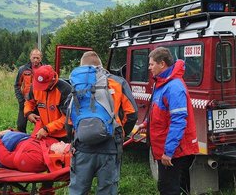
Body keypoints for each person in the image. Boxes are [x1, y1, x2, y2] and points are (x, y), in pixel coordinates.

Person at [68, 51, 138, 195]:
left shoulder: (77, 84)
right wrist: (120, 133)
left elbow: (70, 118)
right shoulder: (118, 82)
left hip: (82, 146)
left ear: (82, 67)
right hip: (110, 145)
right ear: (100, 65)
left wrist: (72, 140)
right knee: (107, 189)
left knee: (78, 190)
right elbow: (132, 114)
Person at [148, 47, 199, 195]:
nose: (149, 68)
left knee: (168, 188)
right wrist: (145, 124)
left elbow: (178, 121)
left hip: (174, 151)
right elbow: (161, 112)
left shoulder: (173, 87)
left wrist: (168, 152)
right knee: (172, 186)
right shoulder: (162, 83)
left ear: (162, 64)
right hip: (167, 148)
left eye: (152, 64)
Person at [24, 65, 71, 142]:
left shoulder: (65, 90)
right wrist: (28, 113)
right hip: (42, 133)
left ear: (52, 79)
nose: (41, 88)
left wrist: (47, 128)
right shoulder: (36, 86)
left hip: (63, 136)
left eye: (44, 85)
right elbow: (29, 101)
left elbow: (68, 118)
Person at [14, 48, 43, 133]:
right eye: (34, 57)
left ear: (41, 58)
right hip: (25, 101)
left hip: (40, 102)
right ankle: (22, 142)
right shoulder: (23, 69)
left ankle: (38, 143)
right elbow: (17, 85)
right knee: (20, 125)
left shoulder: (45, 69)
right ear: (30, 57)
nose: (35, 60)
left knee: (40, 125)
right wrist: (20, 100)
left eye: (38, 58)